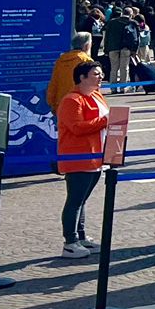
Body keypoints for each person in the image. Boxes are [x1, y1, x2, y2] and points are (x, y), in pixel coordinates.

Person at [55, 61, 109, 258]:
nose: (100, 77)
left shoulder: (96, 95)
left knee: (82, 199)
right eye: (96, 74)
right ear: (82, 77)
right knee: (75, 200)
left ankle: (81, 236)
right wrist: (105, 121)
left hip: (96, 155)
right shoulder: (72, 100)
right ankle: (70, 241)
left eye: (101, 73)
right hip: (78, 156)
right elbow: (76, 127)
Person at [46, 33, 95, 114]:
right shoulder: (86, 61)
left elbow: (54, 83)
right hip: (79, 104)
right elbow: (92, 87)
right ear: (86, 46)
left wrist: (52, 104)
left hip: (61, 104)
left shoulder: (61, 61)